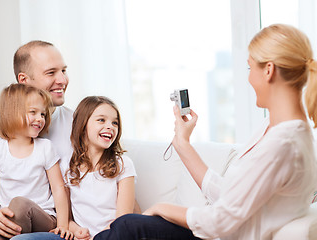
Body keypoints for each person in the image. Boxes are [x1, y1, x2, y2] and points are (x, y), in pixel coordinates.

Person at [94, 24, 317, 240]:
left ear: (268, 70)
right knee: (127, 225)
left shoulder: (284, 143)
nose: (249, 78)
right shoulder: (276, 129)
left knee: (128, 225)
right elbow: (230, 196)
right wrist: (183, 143)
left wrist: (162, 208)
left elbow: (219, 221)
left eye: (250, 68)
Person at [0, 41, 73, 240]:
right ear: (23, 80)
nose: (62, 79)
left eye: (64, 70)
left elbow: (115, 175)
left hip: (50, 226)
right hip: (9, 225)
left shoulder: (81, 125)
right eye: (51, 72)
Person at [0, 84, 72, 240]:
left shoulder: (45, 148)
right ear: (12, 113)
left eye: (43, 114)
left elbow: (59, 188)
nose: (40, 119)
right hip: (11, 219)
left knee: (19, 203)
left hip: (43, 218)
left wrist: (63, 225)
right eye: (33, 112)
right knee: (11, 212)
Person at [63, 96, 136, 239]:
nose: (110, 126)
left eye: (115, 122)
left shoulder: (123, 165)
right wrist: (77, 230)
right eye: (101, 120)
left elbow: (123, 220)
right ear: (82, 125)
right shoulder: (67, 166)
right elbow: (65, 217)